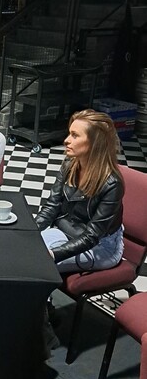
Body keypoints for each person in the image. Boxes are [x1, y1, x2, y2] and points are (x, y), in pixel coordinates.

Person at [35, 109, 124, 273]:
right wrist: (29, 231)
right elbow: (52, 206)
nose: (66, 140)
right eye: (69, 134)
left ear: (95, 142)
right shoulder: (69, 164)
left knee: (38, 266)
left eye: (75, 136)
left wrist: (54, 254)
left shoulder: (112, 184)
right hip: (66, 231)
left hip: (101, 247)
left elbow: (92, 236)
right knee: (21, 250)